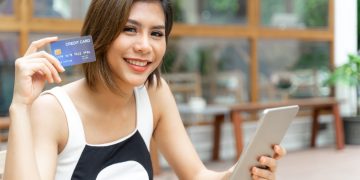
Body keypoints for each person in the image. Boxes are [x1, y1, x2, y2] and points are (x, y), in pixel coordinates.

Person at [4, 0, 286, 179]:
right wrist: (20, 107)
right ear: (100, 36)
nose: (145, 46)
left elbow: (197, 174)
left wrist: (240, 174)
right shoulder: (52, 110)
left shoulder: (155, 93)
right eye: (129, 29)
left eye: (156, 33)